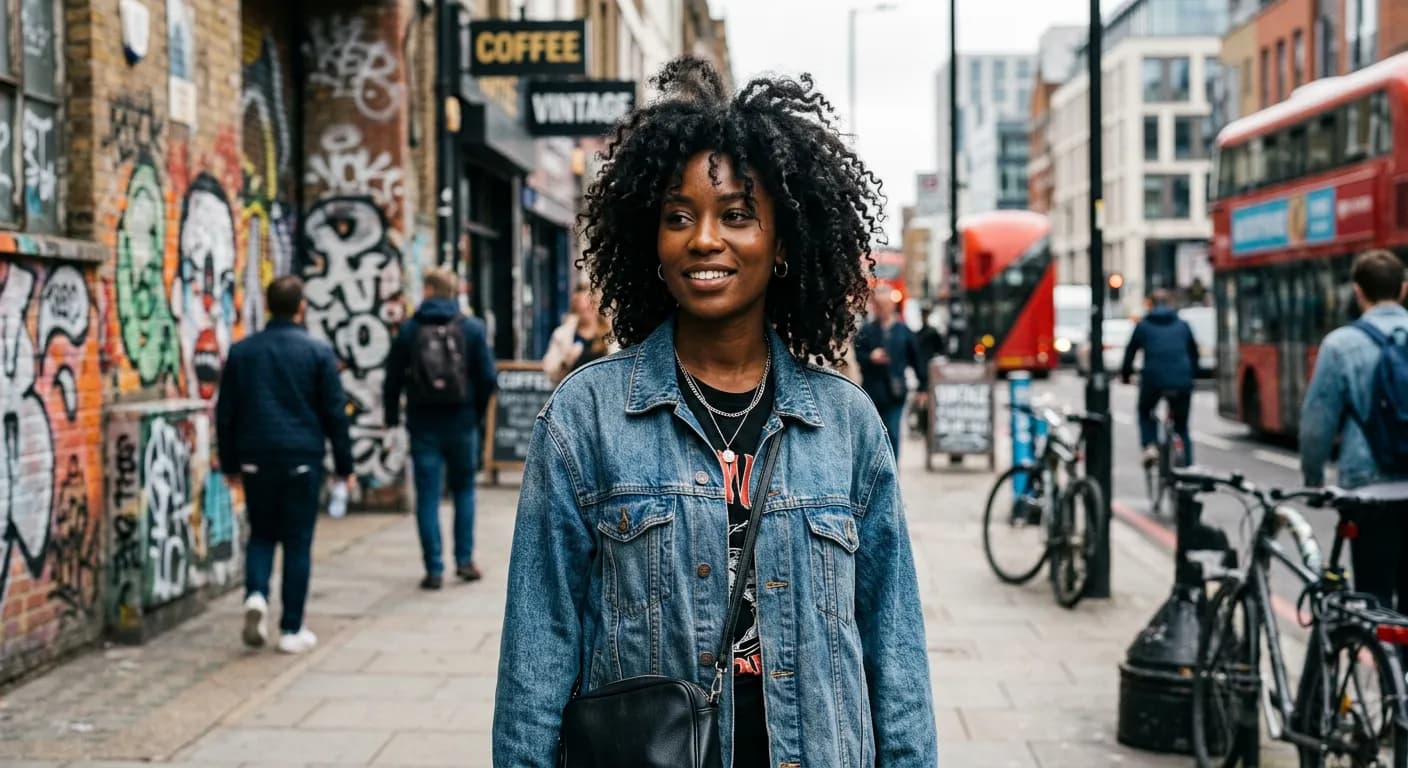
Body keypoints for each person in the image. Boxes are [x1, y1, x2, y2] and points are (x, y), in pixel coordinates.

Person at [492, 57, 937, 767]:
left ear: (783, 241)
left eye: (737, 215)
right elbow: (537, 653)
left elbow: (895, 650)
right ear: (653, 241)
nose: (704, 239)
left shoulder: (847, 426)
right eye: (678, 216)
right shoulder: (588, 418)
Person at [216, 276, 353, 655]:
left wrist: (229, 464)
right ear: (300, 307)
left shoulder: (243, 352)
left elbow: (225, 414)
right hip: (302, 460)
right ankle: (291, 628)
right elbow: (334, 415)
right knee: (297, 541)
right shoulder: (317, 352)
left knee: (261, 535)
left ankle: (256, 595)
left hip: (255, 459)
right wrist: (344, 465)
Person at [1301, 249, 1408, 616]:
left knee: (1375, 599)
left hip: (1368, 492)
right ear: (1404, 289)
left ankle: (1384, 669)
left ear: (1358, 291)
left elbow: (1317, 424)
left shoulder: (1340, 345)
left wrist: (1314, 482)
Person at [383, 266, 497, 590]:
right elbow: (488, 378)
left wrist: (392, 418)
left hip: (423, 425)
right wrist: (475, 414)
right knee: (464, 491)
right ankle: (464, 561)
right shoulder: (472, 329)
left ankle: (434, 568)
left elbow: (392, 379)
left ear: (430, 290)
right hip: (462, 424)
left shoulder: (409, 329)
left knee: (428, 497)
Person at [1120, 289, 1200, 467]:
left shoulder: (1143, 326)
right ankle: (1187, 470)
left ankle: (1150, 446)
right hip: (1182, 381)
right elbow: (1194, 354)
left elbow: (1130, 352)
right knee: (1181, 426)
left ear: (1150, 304)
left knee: (1145, 411)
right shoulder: (1182, 325)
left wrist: (1126, 375)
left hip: (1153, 379)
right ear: (1170, 303)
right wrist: (1192, 376)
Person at [856, 289, 929, 458]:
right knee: (873, 435)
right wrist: (870, 357)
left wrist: (923, 386)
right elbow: (856, 356)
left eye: (885, 305)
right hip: (872, 391)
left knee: (893, 432)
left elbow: (916, 359)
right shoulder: (867, 330)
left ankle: (893, 472)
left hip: (896, 392)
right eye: (879, 305)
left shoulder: (903, 331)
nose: (882, 309)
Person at [542, 285, 617, 385]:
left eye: (590, 306)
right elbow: (550, 374)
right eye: (582, 308)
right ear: (576, 308)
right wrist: (565, 362)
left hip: (604, 392)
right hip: (573, 394)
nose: (587, 311)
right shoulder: (562, 335)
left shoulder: (610, 334)